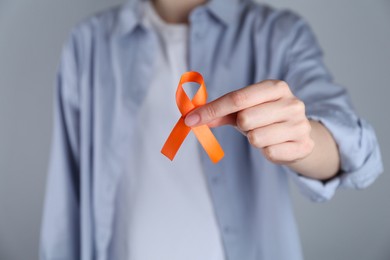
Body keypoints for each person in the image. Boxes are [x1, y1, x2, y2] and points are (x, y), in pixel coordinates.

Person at [40, 0, 383, 259]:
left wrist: (305, 139)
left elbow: (354, 149)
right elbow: (64, 200)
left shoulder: (278, 34)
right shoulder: (89, 44)